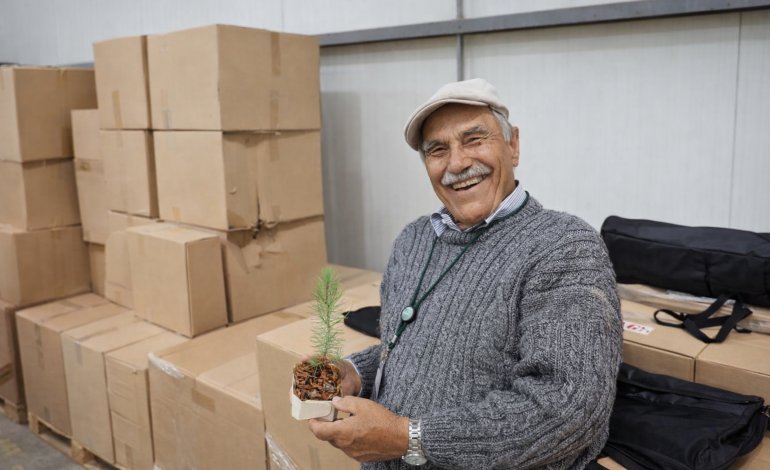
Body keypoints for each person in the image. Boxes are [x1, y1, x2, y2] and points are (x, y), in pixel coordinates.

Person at [309, 78, 623, 470]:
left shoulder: (563, 246)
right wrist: (354, 371)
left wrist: (409, 439)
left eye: (474, 139)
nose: (456, 163)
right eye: (437, 150)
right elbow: (414, 347)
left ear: (513, 145)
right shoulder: (413, 240)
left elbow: (566, 409)